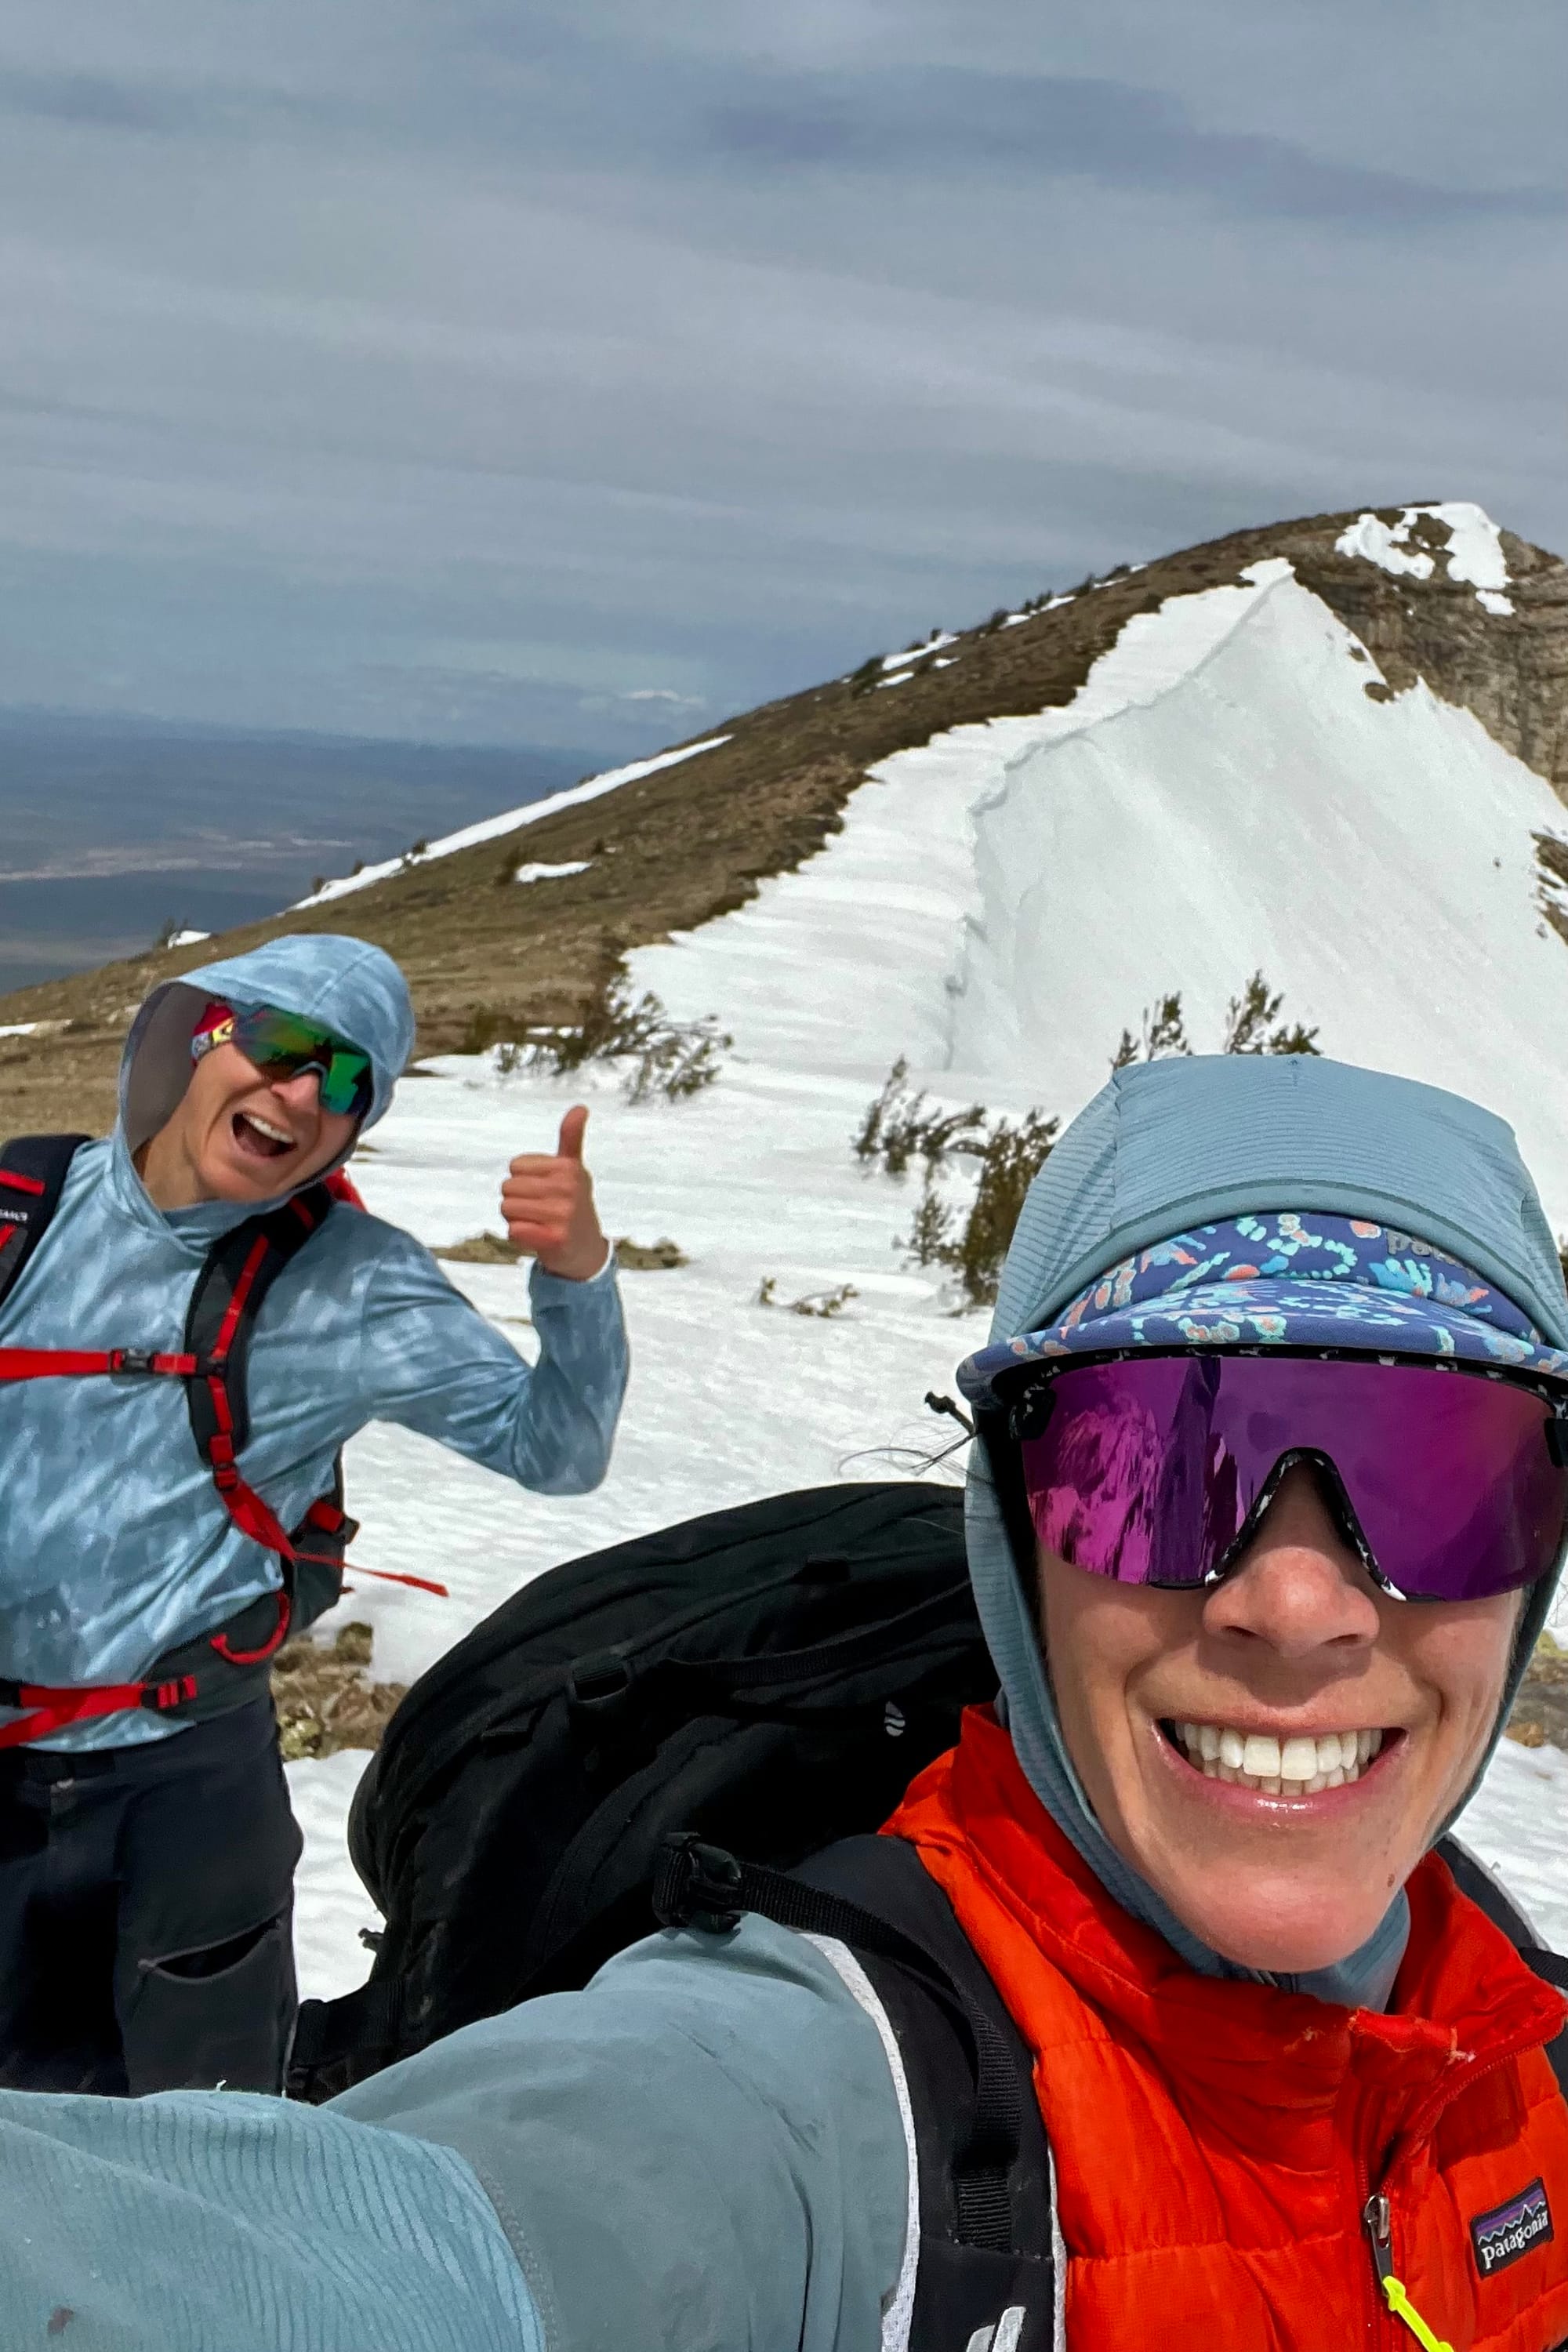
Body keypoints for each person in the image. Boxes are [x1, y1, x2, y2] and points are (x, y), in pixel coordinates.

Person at [3, 1048, 1568, 2352]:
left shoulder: (1515, 2028)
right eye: (1151, 1464)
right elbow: (381, 2261)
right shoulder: (813, 2105)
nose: (1293, 1604)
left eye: (1440, 1478)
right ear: (1012, 1530)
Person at [0, 932, 627, 2100]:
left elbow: (558, 1448)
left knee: (199, 2131)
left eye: (345, 1084)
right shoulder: (22, 1207)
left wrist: (578, 1277)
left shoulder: (351, 1284)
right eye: (283, 1047)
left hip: (184, 1793)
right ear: (205, 1036)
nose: (300, 1093)